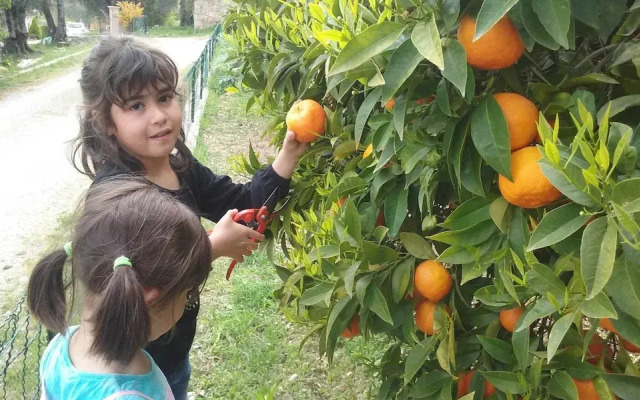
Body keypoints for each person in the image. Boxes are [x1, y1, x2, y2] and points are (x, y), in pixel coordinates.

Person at [70, 36, 307, 398]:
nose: (159, 115)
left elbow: (245, 204)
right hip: (132, 366)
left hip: (174, 352)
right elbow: (136, 282)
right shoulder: (115, 197)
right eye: (136, 105)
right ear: (106, 122)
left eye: (164, 98)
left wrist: (288, 154)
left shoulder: (181, 168)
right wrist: (211, 247)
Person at [28, 178, 213, 400]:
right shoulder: (134, 393)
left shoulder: (60, 345)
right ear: (151, 297)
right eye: (188, 294)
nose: (186, 303)